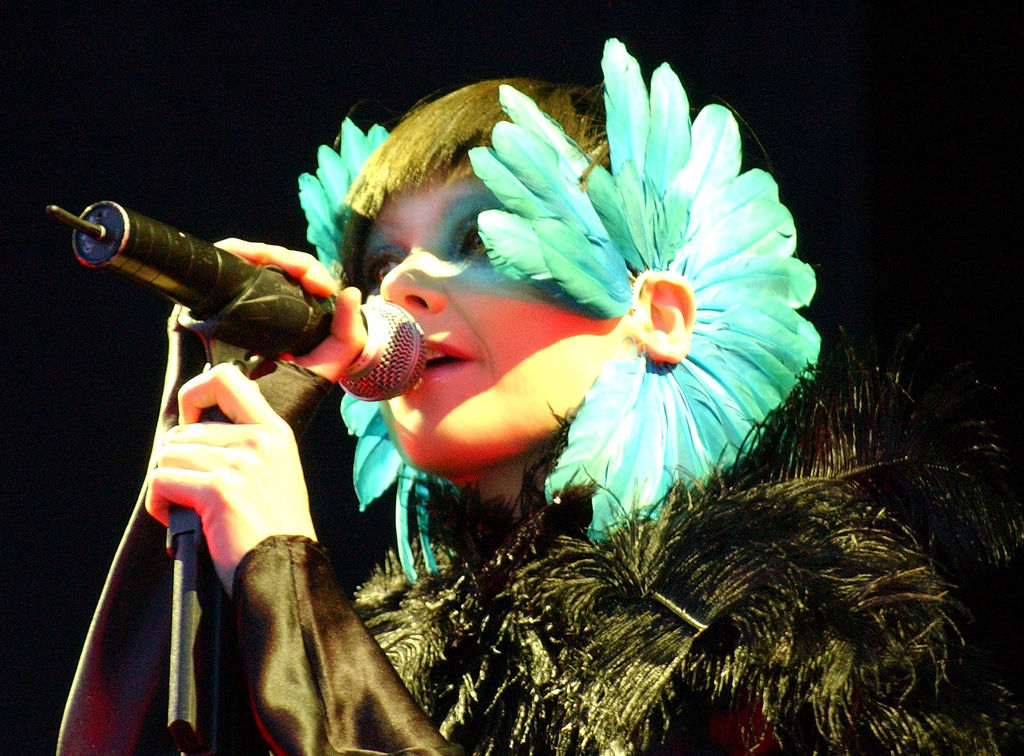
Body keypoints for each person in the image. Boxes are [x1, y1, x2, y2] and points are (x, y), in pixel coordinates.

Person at [59, 40, 1022, 754]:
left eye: (480, 239)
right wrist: (212, 454)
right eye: (381, 264)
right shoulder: (386, 644)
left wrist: (286, 575)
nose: (401, 287)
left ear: (659, 313)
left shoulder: (767, 635)